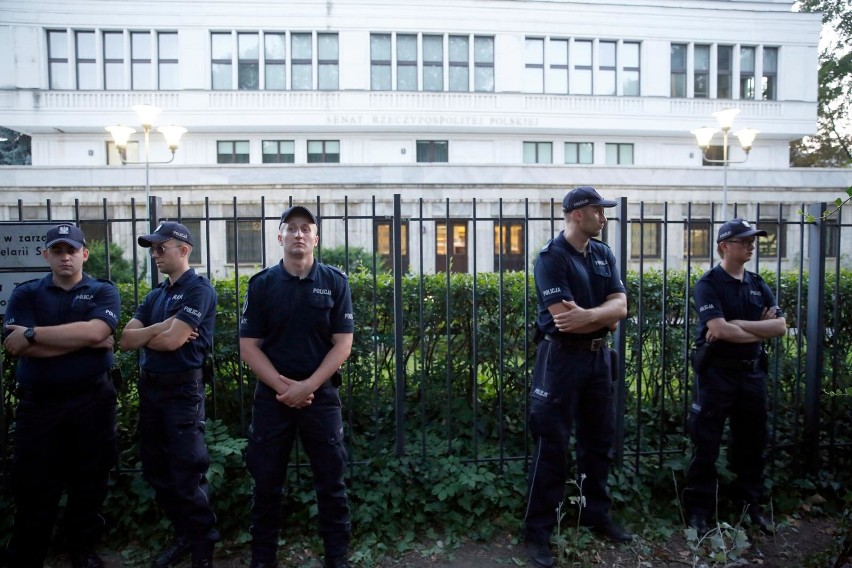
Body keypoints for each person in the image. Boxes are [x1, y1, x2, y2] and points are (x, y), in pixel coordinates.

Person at [239, 205, 354, 568]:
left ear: (316, 238)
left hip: (320, 399)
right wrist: (284, 389)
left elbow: (343, 344)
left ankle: (337, 558)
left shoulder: (335, 282)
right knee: (266, 484)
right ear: (280, 237)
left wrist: (308, 387)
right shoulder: (262, 285)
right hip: (272, 401)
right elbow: (248, 347)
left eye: (306, 229)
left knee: (332, 485)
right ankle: (263, 558)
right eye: (292, 229)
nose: (299, 234)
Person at [524, 186, 632, 568]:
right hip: (561, 360)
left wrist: (589, 316)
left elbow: (621, 304)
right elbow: (561, 316)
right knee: (552, 446)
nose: (604, 217)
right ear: (577, 213)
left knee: (597, 441)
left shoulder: (603, 254)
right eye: (599, 211)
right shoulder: (551, 259)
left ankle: (594, 512)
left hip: (599, 358)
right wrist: (603, 314)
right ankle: (537, 531)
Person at [2, 224, 120, 568]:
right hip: (39, 404)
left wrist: (34, 334)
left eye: (72, 250)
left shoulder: (103, 291)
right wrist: (84, 342)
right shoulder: (26, 294)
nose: (65, 256)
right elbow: (16, 347)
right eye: (57, 250)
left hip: (92, 401)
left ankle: (82, 552)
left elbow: (99, 330)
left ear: (85, 253)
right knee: (33, 484)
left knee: (90, 480)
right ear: (46, 256)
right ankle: (28, 556)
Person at [119, 221, 219, 568]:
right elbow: (125, 339)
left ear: (184, 250)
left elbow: (173, 342)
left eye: (161, 248)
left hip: (182, 390)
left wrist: (158, 333)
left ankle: (203, 546)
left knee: (187, 471)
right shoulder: (155, 295)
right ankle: (184, 537)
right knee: (157, 470)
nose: (155, 254)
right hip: (151, 389)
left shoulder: (199, 290)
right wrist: (164, 325)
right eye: (152, 249)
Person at [683, 218, 786, 535]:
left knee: (752, 446)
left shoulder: (757, 284)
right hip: (717, 376)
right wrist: (757, 328)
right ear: (724, 246)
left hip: (751, 376)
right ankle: (699, 514)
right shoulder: (709, 283)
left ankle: (749, 507)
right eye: (744, 240)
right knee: (706, 446)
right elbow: (717, 329)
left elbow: (780, 327)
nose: (751, 245)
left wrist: (736, 327)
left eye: (752, 240)